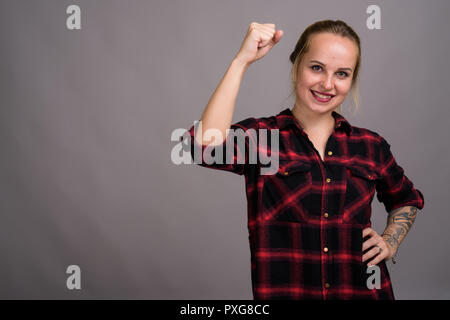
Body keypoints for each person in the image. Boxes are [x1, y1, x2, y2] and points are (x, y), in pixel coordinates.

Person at [181, 20, 424, 300]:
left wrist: (390, 241)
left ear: (352, 80)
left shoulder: (370, 146)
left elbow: (406, 198)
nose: (328, 84)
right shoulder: (264, 139)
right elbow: (203, 147)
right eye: (316, 67)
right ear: (296, 65)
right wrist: (241, 61)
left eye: (342, 73)